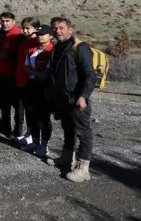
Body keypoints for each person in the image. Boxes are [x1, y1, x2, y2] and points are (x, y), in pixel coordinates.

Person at [50, 17, 97, 183]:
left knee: (83, 131)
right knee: (68, 128)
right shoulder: (58, 47)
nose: (57, 31)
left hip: (77, 98)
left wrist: (83, 96)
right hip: (63, 98)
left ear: (70, 30)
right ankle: (67, 157)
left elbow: (90, 75)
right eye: (55, 28)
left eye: (61, 28)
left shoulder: (80, 48)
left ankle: (83, 168)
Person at [22, 24, 54, 158]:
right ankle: (35, 141)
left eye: (42, 34)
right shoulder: (32, 49)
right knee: (31, 114)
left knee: (43, 117)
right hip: (32, 84)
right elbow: (26, 66)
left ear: (50, 36)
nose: (39, 37)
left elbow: (48, 71)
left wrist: (38, 74)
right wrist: (36, 73)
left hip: (45, 87)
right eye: (38, 34)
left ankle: (44, 145)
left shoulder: (52, 50)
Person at [0, 12, 24, 138]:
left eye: (7, 21)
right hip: (1, 72)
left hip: (13, 75)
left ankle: (18, 129)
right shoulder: (1, 34)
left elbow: (21, 56)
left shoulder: (18, 35)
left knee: (17, 104)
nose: (4, 23)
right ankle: (5, 125)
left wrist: (6, 56)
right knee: (4, 101)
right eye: (2, 21)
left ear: (13, 21)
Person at [14, 17, 41, 144]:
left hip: (31, 80)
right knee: (26, 108)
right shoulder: (25, 42)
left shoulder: (37, 43)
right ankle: (29, 132)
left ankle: (33, 136)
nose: (24, 31)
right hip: (21, 79)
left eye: (28, 28)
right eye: (23, 28)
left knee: (32, 110)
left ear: (36, 28)